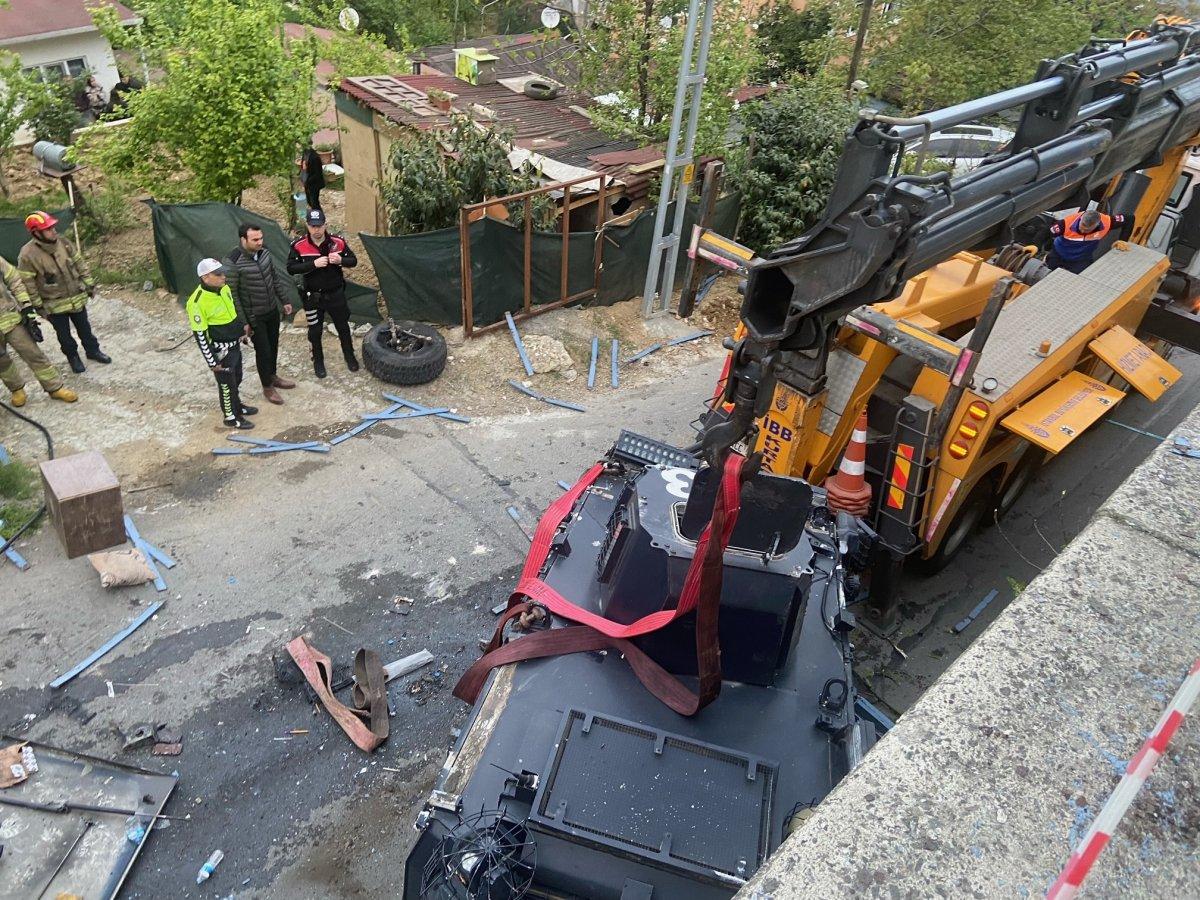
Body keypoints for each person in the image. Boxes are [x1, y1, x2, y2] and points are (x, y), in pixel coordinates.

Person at [18, 210, 111, 374]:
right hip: (54, 304)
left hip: (76, 297)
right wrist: (38, 306)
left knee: (85, 329)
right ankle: (73, 357)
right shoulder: (27, 254)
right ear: (37, 233)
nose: (53, 231)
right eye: (48, 229)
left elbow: (79, 263)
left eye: (52, 227)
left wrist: (89, 284)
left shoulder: (64, 242)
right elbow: (28, 283)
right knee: (64, 336)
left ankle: (93, 351)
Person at [225, 224, 296, 405]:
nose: (259, 242)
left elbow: (274, 277)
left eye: (261, 238)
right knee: (263, 351)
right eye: (255, 239)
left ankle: (273, 376)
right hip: (254, 316)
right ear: (243, 239)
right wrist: (243, 322)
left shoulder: (264, 253)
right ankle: (267, 387)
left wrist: (285, 300)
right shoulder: (233, 261)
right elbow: (232, 295)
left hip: (271, 310)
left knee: (273, 346)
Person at [287, 209, 359, 378]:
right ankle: (318, 362)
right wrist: (313, 264)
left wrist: (341, 260)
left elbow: (353, 261)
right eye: (313, 226)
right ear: (307, 226)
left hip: (336, 294)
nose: (316, 230)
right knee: (315, 331)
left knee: (343, 327)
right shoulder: (298, 245)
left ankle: (350, 357)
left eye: (319, 226)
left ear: (325, 225)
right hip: (312, 297)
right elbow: (291, 268)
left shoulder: (337, 242)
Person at [187, 258, 257, 430]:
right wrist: (212, 362)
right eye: (218, 274)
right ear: (205, 277)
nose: (223, 276)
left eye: (223, 272)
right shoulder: (196, 302)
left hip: (234, 344)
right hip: (221, 350)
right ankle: (231, 417)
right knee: (226, 385)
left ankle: (237, 406)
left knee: (237, 377)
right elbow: (200, 335)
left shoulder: (224, 288)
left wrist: (241, 331)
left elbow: (231, 311)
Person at [0, 256, 76, 407]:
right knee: (2, 362)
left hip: (10, 319)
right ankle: (16, 389)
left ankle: (55, 387)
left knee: (33, 354)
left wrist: (26, 305)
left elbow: (14, 279)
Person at [1047, 209, 1127, 274]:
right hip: (1059, 254)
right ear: (1081, 218)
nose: (1082, 231)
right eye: (1081, 227)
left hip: (1081, 259)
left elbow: (1129, 219)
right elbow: (1047, 233)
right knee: (1047, 272)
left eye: (1087, 230)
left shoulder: (1107, 222)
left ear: (1097, 225)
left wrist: (1123, 240)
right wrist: (1041, 246)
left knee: (1083, 278)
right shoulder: (1065, 224)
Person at [300, 141, 326, 213]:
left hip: (314, 184)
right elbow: (303, 167)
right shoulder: (305, 153)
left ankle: (319, 215)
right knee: (309, 201)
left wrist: (307, 181)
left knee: (314, 202)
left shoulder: (315, 157)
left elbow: (317, 174)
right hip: (307, 182)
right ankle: (316, 214)